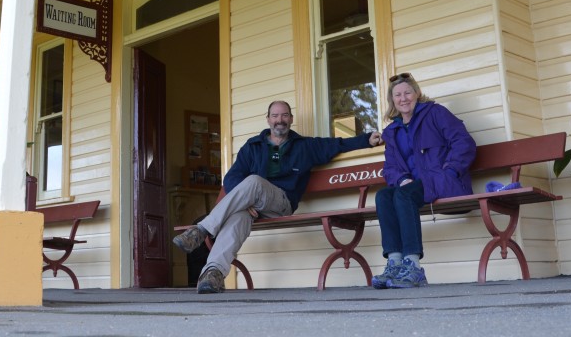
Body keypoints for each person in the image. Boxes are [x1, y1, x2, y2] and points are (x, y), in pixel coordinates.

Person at [172, 100, 383, 293]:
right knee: (238, 218)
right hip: (253, 208)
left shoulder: (305, 146)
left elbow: (337, 145)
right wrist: (246, 203)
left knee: (254, 181)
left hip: (281, 203)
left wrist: (367, 139)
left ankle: (201, 230)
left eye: (284, 115)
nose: (279, 120)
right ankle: (213, 274)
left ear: (291, 119)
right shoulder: (253, 146)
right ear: (268, 119)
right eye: (275, 116)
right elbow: (232, 178)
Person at [372, 72, 476, 289]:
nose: (403, 98)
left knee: (403, 195)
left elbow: (463, 142)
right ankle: (394, 261)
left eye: (408, 92)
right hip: (414, 187)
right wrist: (401, 180)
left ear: (417, 93)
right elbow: (390, 167)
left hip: (443, 181)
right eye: (397, 95)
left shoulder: (436, 113)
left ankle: (413, 266)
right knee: (383, 195)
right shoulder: (392, 132)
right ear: (392, 100)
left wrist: (450, 172)